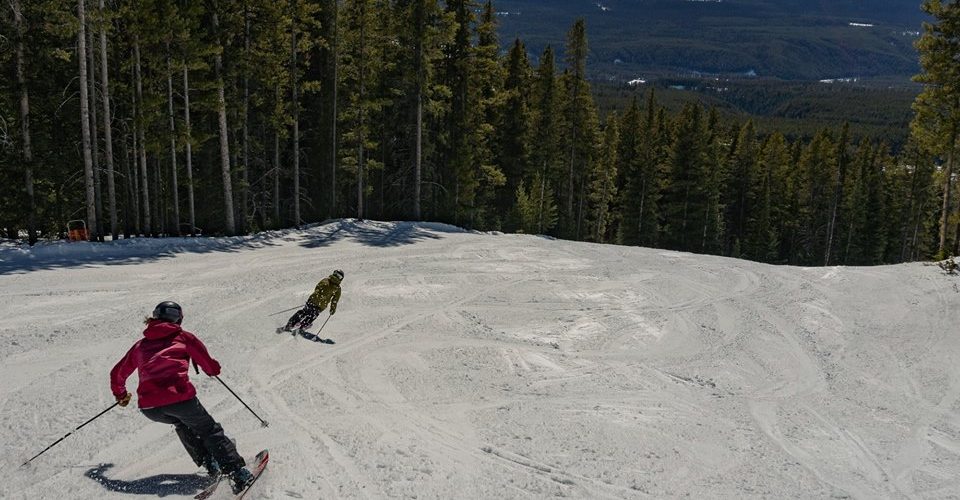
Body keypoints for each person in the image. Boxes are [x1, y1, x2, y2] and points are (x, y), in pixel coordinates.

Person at [110, 301, 255, 493]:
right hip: (179, 399)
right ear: (178, 318)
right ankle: (237, 473)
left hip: (150, 408)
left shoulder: (140, 345)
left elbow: (117, 373)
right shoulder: (183, 337)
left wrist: (121, 394)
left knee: (182, 424)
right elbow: (210, 365)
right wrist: (212, 369)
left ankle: (210, 463)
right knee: (209, 430)